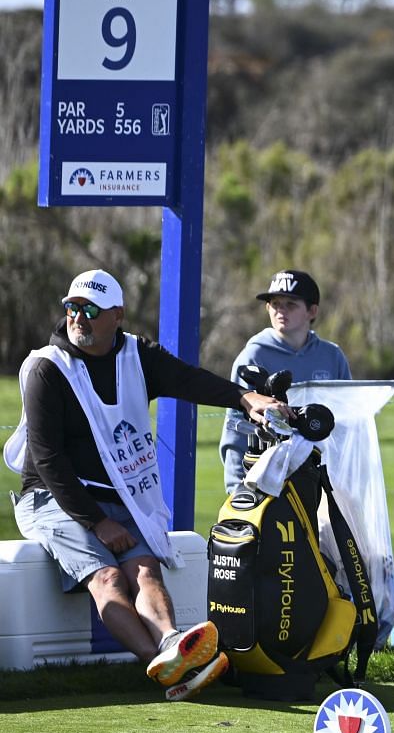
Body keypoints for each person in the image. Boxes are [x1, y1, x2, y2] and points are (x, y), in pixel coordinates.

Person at [6, 270, 282, 701]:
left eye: (90, 310)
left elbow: (189, 380)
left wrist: (245, 399)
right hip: (51, 498)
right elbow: (48, 461)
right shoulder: (45, 369)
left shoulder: (138, 355)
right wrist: (98, 523)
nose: (78, 317)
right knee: (109, 579)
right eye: (72, 307)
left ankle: (172, 643)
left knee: (146, 570)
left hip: (118, 496)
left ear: (117, 315)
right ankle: (166, 670)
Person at [219, 268, 352, 491]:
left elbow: (348, 424)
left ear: (312, 311)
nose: (280, 310)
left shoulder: (332, 356)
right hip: (269, 482)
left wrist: (347, 479)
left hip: (325, 482)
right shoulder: (253, 356)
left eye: (291, 304)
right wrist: (236, 487)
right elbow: (236, 426)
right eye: (275, 303)